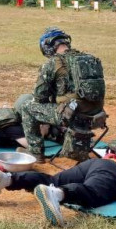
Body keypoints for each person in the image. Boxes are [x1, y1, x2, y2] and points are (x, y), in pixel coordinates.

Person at [16, 27, 106, 162]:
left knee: (28, 107)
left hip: (75, 118)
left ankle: (35, 152)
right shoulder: (90, 59)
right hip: (98, 117)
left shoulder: (53, 62)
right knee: (63, 104)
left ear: (47, 47)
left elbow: (40, 97)